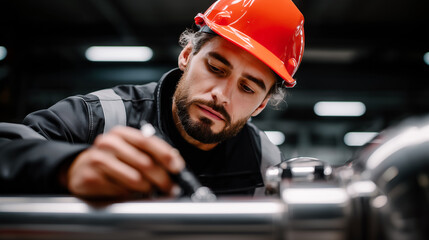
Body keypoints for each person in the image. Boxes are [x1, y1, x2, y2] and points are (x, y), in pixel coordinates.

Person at [0, 0, 304, 198]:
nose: (221, 96)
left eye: (248, 88)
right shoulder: (99, 118)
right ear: (187, 56)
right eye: (215, 68)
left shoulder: (265, 163)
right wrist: (67, 166)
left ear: (262, 104)